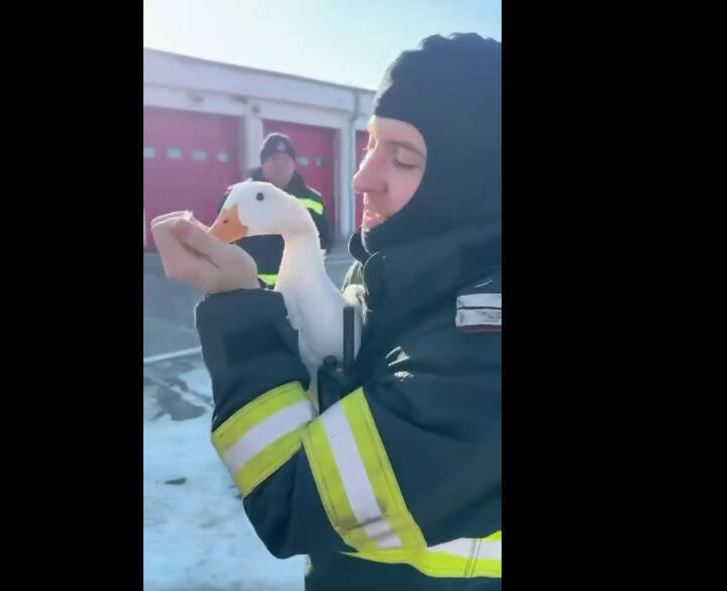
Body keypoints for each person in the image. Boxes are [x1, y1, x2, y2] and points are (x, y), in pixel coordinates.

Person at [152, 32, 501, 590]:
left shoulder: (489, 345)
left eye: (404, 157)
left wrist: (239, 315)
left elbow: (294, 498)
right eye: (369, 144)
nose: (362, 177)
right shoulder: (386, 272)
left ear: (476, 181)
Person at [216, 132, 332, 288]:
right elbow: (221, 242)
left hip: (296, 290)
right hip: (250, 289)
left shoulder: (313, 201)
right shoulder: (239, 197)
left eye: (285, 159)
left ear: (293, 164)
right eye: (273, 159)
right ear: (263, 163)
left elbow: (324, 242)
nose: (280, 165)